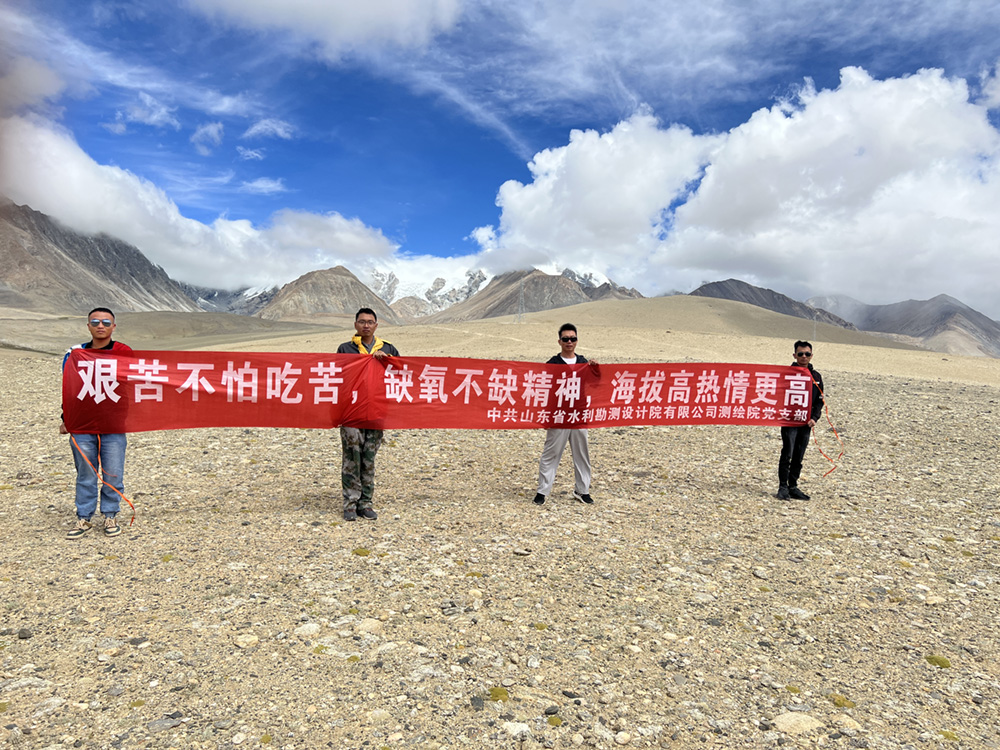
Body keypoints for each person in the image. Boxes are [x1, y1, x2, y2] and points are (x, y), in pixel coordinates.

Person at [60, 308, 133, 538]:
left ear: (114, 326)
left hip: (113, 424)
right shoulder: (76, 354)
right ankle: (84, 517)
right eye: (95, 322)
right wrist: (65, 418)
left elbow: (134, 382)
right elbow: (69, 388)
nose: (100, 326)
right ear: (88, 326)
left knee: (113, 472)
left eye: (106, 322)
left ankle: (110, 514)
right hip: (82, 424)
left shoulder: (124, 352)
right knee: (86, 472)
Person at [336, 308, 400, 521]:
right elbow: (338, 377)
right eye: (362, 322)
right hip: (351, 412)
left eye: (370, 322)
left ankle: (365, 503)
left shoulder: (388, 348)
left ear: (376, 325)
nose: (366, 325)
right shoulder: (345, 349)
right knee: (351, 457)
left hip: (376, 411)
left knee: (369, 458)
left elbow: (400, 375)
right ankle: (350, 504)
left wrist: (386, 362)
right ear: (355, 324)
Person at [533, 323, 597, 506]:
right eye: (566, 339)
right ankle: (542, 491)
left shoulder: (584, 362)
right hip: (559, 414)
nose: (569, 342)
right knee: (551, 453)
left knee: (582, 454)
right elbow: (545, 391)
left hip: (579, 415)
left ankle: (582, 490)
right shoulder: (552, 364)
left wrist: (595, 369)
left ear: (577, 341)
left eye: (573, 338)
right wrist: (546, 416)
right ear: (559, 341)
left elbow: (596, 383)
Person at [777, 340, 825, 500]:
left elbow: (820, 400)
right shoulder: (786, 374)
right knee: (788, 453)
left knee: (799, 455)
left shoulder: (816, 377)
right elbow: (776, 395)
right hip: (790, 420)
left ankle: (793, 486)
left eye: (807, 354)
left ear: (811, 356)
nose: (804, 356)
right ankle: (782, 487)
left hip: (806, 422)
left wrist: (814, 418)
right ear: (794, 355)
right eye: (800, 354)